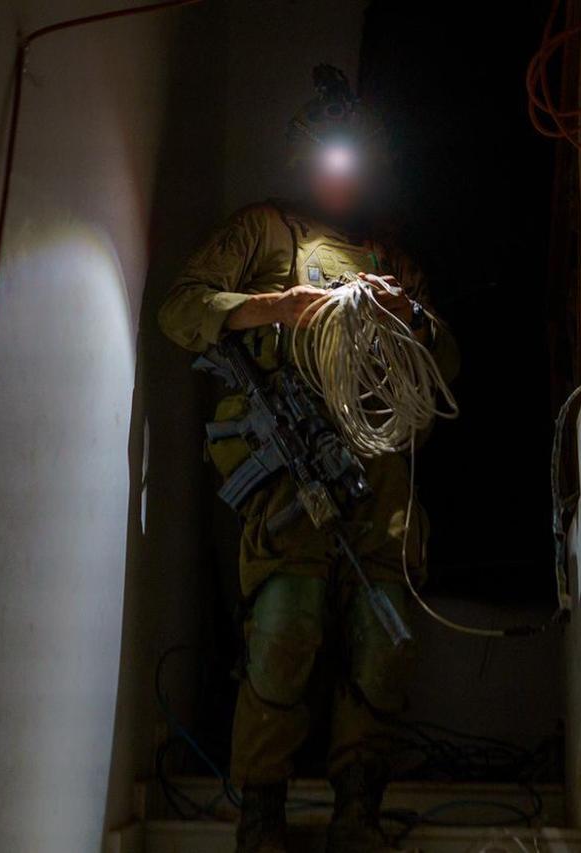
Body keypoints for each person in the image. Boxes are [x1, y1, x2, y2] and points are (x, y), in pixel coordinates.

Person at [157, 65, 459, 853]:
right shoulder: (264, 233)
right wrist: (275, 306)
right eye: (328, 162)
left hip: (382, 474)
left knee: (384, 637)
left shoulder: (392, 258)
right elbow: (181, 308)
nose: (339, 177)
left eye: (352, 165)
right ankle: (262, 812)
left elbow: (446, 366)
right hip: (292, 475)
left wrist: (407, 319)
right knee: (284, 629)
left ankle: (358, 807)